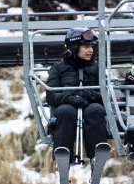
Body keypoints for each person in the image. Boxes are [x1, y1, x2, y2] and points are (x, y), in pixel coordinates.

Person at [45, 28, 110, 162]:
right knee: (64, 112)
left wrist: (91, 95)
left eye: (91, 46)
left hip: (90, 104)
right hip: (67, 106)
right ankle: (62, 157)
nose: (90, 50)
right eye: (86, 46)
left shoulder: (97, 68)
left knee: (96, 110)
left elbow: (105, 94)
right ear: (74, 47)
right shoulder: (58, 68)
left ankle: (97, 157)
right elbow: (51, 94)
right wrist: (69, 98)